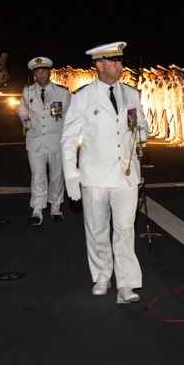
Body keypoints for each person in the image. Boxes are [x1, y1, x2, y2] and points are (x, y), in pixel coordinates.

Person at [61, 41, 150, 303]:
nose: (120, 66)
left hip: (126, 174)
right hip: (95, 176)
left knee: (124, 230)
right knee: (98, 230)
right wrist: (71, 177)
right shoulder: (83, 97)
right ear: (99, 65)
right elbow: (68, 140)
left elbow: (142, 126)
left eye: (120, 61)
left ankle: (126, 285)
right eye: (115, 62)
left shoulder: (132, 94)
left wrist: (141, 133)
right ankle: (102, 276)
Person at [17, 56, 71, 226]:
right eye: (38, 71)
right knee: (38, 176)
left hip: (56, 141)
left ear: (49, 72)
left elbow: (70, 115)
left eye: (44, 71)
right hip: (35, 141)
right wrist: (26, 120)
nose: (41, 74)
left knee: (56, 176)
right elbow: (22, 109)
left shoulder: (62, 92)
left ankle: (55, 208)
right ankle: (38, 210)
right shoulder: (28, 91)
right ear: (34, 74)